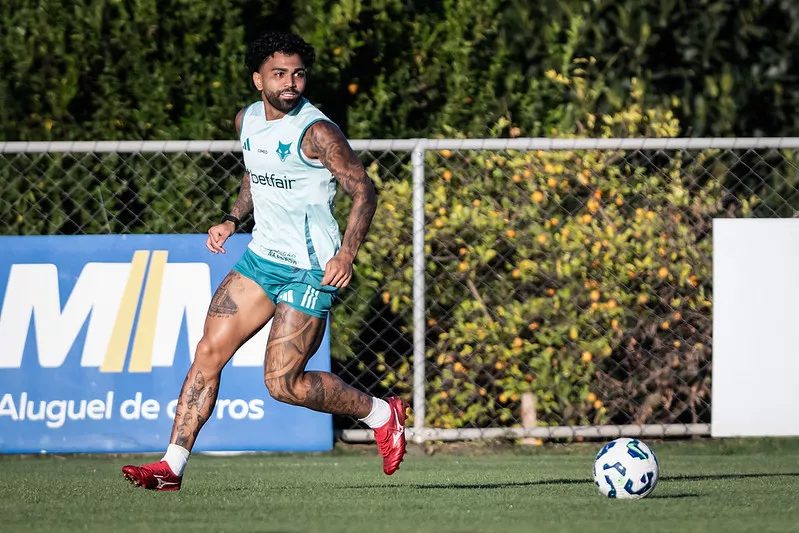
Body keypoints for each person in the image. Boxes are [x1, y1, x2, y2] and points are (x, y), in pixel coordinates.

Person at [122, 31, 407, 491]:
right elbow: (255, 171)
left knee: (282, 384)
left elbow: (364, 189)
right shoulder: (247, 120)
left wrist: (346, 252)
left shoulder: (317, 132)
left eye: (297, 73)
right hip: (261, 259)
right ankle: (171, 467)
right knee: (208, 352)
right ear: (258, 80)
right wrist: (233, 219)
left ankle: (381, 413)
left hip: (310, 267)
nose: (291, 82)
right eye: (279, 74)